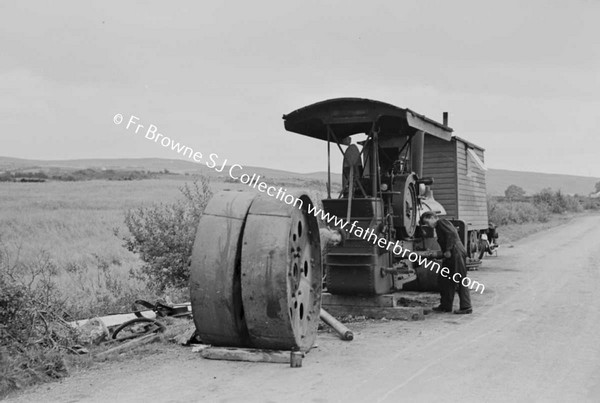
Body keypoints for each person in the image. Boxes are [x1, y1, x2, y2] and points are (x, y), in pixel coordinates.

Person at [420, 212, 472, 314]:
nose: (428, 225)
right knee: (445, 279)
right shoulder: (438, 227)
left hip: (455, 253)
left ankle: (466, 307)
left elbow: (451, 234)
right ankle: (445, 306)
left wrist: (448, 250)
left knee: (460, 279)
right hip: (451, 254)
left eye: (427, 222)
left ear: (433, 217)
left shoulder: (441, 222)